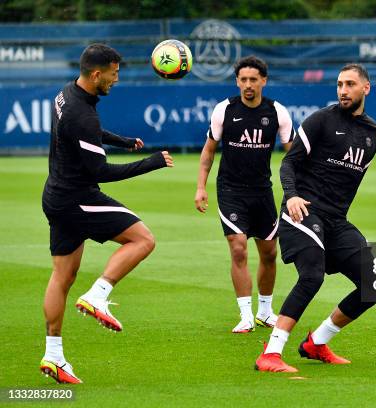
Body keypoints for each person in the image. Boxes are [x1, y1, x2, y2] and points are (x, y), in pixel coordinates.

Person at [40, 44, 174, 384]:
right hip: (78, 198)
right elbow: (101, 170)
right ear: (97, 74)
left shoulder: (67, 93)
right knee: (143, 240)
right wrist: (152, 162)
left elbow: (88, 135)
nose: (116, 80)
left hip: (56, 196)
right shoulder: (82, 114)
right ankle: (98, 294)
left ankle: (53, 356)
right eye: (113, 74)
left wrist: (123, 141)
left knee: (62, 277)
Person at [255, 63, 376, 373]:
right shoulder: (321, 121)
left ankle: (317, 342)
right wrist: (292, 196)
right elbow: (289, 165)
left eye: (350, 84)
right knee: (311, 276)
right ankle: (270, 354)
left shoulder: (373, 133)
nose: (343, 90)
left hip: (336, 221)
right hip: (302, 211)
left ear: (365, 88)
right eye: (340, 84)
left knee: (375, 283)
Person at [194, 56, 294, 333]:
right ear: (237, 81)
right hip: (230, 190)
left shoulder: (278, 112)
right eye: (243, 80)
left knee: (270, 253)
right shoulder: (224, 110)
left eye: (253, 80)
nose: (248, 85)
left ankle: (265, 311)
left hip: (262, 191)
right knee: (238, 247)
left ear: (263, 80)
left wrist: (301, 188)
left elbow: (293, 154)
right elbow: (209, 151)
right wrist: (201, 187)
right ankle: (245, 315)